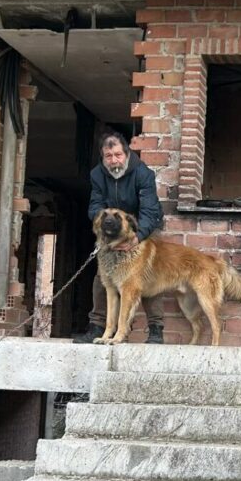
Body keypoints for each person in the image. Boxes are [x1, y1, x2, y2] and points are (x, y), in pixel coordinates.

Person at [73, 132, 164, 344]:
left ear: (126, 153)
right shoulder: (97, 175)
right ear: (103, 157)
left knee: (146, 274)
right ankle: (97, 326)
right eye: (108, 156)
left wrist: (137, 237)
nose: (113, 160)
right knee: (102, 276)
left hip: (142, 225)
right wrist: (102, 223)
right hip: (112, 225)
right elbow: (95, 205)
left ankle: (156, 329)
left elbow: (150, 211)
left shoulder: (143, 174)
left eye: (117, 155)